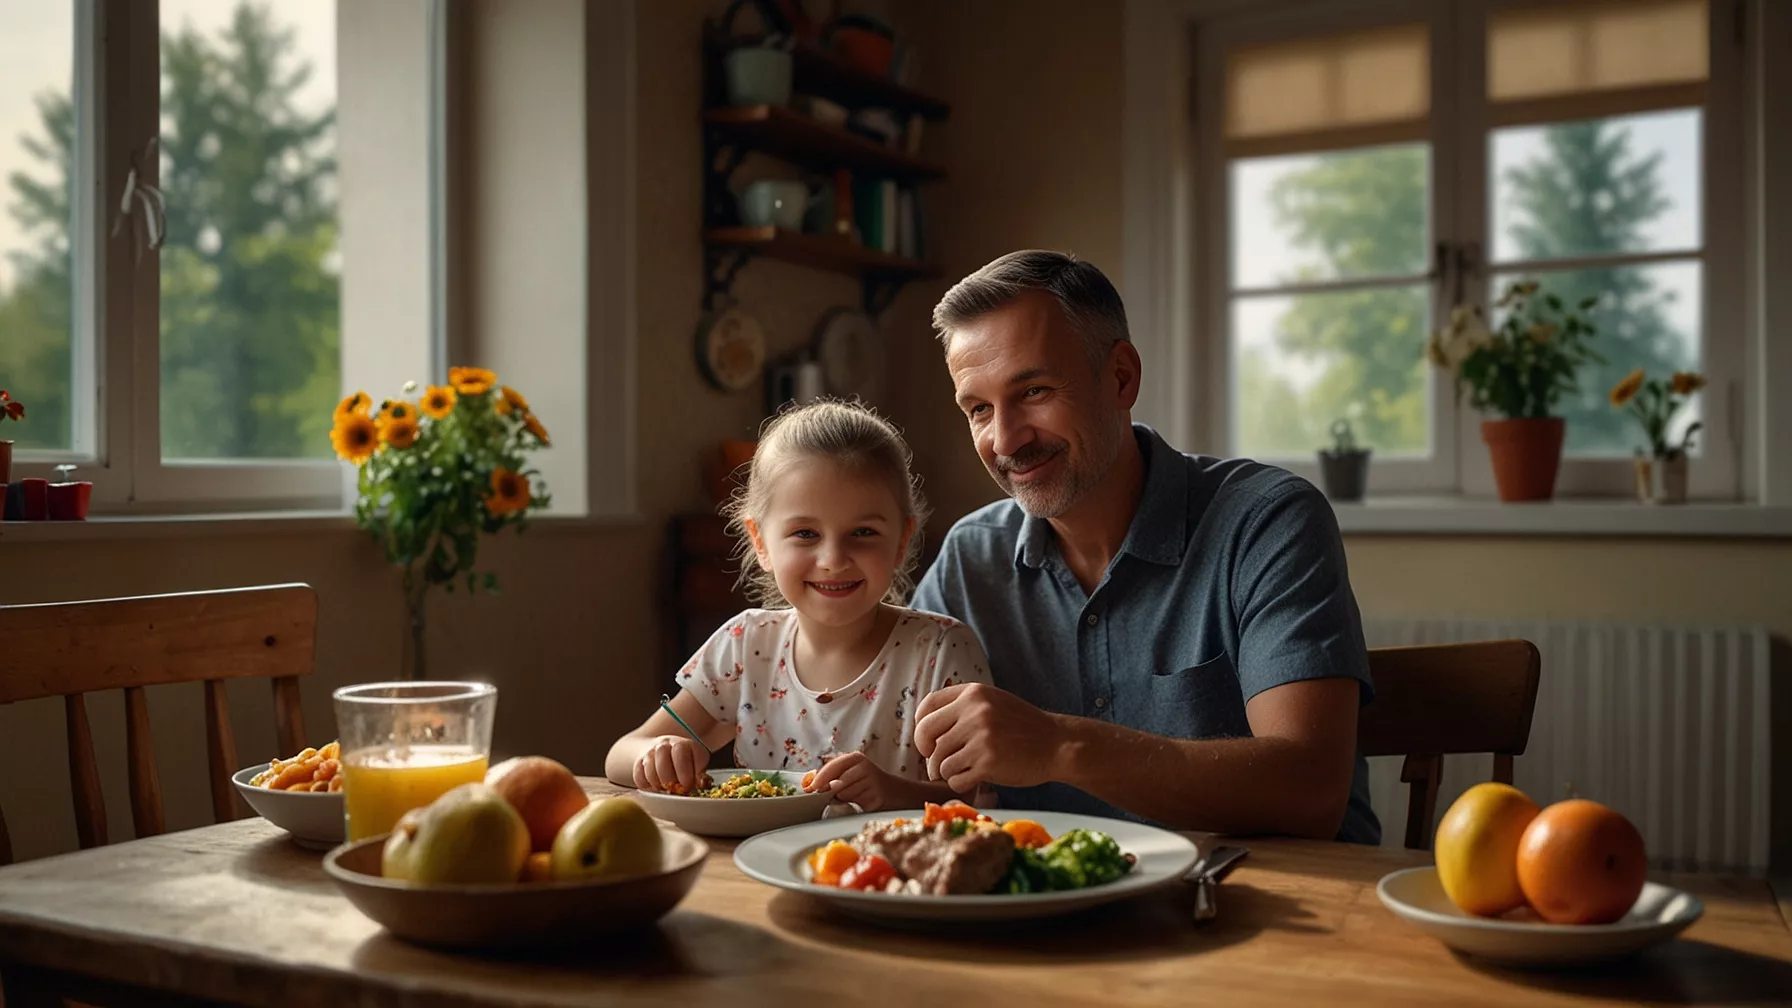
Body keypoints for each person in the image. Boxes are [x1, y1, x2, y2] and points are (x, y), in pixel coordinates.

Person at [910, 250, 1381, 844]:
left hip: (1284, 910)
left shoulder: (1267, 522)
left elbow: (1310, 792)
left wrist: (1060, 746)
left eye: (1033, 391)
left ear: (1122, 377)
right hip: (1056, 925)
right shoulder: (968, 560)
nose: (1005, 439)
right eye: (979, 409)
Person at [605, 399, 992, 812]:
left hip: (895, 873)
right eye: (806, 533)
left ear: (901, 541)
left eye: (863, 532)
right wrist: (658, 753)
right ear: (760, 542)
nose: (833, 559)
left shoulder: (941, 652)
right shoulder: (745, 645)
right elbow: (620, 755)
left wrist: (893, 794)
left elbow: (971, 796)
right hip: (755, 872)